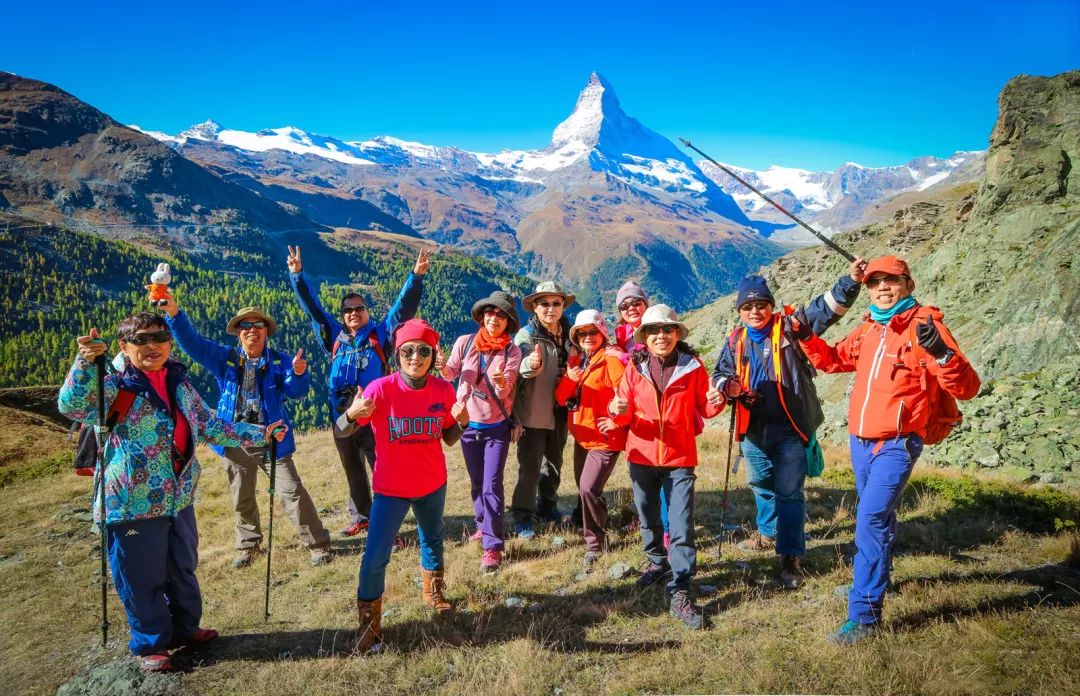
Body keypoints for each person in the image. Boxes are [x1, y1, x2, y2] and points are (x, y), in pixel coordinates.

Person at [57, 313, 286, 672]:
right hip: (131, 501)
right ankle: (151, 642)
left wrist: (262, 434)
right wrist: (85, 363)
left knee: (183, 566)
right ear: (124, 346)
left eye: (160, 337)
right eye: (142, 339)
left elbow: (209, 424)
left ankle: (185, 629)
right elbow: (72, 406)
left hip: (177, 496)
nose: (153, 345)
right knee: (140, 575)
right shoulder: (113, 381)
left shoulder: (176, 380)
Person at [794, 256, 980, 644]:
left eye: (891, 281)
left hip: (898, 443)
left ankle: (864, 615)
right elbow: (833, 361)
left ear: (907, 285)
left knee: (870, 519)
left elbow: (967, 388)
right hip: (860, 443)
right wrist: (806, 337)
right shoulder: (869, 330)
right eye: (875, 281)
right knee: (879, 518)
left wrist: (943, 356)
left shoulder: (925, 328)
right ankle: (872, 580)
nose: (882, 287)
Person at [711, 261, 865, 588]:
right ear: (740, 310)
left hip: (791, 428)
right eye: (748, 306)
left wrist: (851, 281)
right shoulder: (736, 340)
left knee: (789, 493)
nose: (755, 311)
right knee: (761, 484)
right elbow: (720, 373)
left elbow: (827, 309)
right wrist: (728, 387)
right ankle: (767, 533)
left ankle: (790, 555)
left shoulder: (790, 327)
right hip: (752, 431)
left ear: (771, 305)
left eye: (761, 305)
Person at [161, 297, 332, 568]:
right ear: (238, 332)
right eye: (246, 325)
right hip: (235, 440)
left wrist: (299, 374)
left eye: (258, 325)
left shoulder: (280, 361)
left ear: (266, 331)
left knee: (292, 492)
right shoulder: (224, 359)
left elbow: (296, 392)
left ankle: (317, 544)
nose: (252, 329)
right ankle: (249, 546)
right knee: (242, 496)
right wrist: (174, 314)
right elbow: (193, 344)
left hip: (273, 440)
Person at [335, 319, 468, 655]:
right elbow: (340, 431)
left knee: (433, 538)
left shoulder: (443, 390)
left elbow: (449, 438)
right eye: (408, 350)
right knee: (376, 556)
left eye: (423, 350)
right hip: (391, 490)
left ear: (432, 354)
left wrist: (462, 423)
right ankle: (369, 624)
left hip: (432, 484)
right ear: (398, 354)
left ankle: (434, 593)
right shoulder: (380, 389)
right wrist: (350, 414)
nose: (415, 357)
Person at [288, 244, 431, 536]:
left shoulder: (381, 333)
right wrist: (298, 276)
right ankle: (362, 516)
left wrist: (415, 277)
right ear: (342, 315)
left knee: (382, 466)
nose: (353, 313)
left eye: (359, 308)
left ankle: (387, 516)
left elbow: (402, 308)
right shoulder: (334, 336)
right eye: (348, 310)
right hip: (341, 412)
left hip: (376, 412)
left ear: (367, 312)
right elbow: (313, 309)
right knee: (352, 466)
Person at [608, 304, 726, 629]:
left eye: (667, 330)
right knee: (647, 515)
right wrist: (615, 408)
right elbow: (623, 411)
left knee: (681, 522)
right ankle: (657, 564)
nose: (661, 336)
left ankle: (681, 589)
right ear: (644, 337)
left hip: (680, 457)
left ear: (677, 334)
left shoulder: (693, 367)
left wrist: (717, 402)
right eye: (654, 331)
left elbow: (706, 406)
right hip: (641, 456)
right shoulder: (633, 368)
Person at [438, 290, 522, 572]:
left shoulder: (512, 350)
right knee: (477, 483)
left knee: (491, 485)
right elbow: (450, 374)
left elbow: (506, 386)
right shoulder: (465, 342)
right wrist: (440, 364)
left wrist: (499, 381)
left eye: (501, 315)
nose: (494, 318)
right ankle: (481, 524)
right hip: (467, 426)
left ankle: (493, 547)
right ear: (482, 316)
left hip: (497, 427)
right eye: (490, 312)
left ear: (508, 321)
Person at [554, 310, 626, 566]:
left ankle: (595, 543)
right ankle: (601, 528)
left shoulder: (612, 360)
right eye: (581, 333)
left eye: (592, 332)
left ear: (602, 333)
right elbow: (562, 399)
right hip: (583, 437)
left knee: (587, 488)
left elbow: (626, 397)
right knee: (588, 490)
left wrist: (616, 421)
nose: (587, 337)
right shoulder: (579, 362)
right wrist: (569, 381)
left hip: (604, 439)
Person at [510, 281, 575, 538]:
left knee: (555, 462)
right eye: (544, 304)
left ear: (562, 306)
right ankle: (522, 515)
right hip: (533, 409)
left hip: (562, 408)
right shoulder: (526, 336)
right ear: (535, 307)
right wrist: (530, 364)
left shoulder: (572, 333)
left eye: (556, 303)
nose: (550, 308)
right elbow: (518, 367)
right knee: (530, 464)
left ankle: (547, 507)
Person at [611, 280, 671, 546]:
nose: (631, 308)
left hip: (658, 410)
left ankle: (666, 528)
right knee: (641, 469)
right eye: (625, 305)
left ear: (646, 303)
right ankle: (649, 517)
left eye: (636, 302)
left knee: (663, 469)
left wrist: (622, 358)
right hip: (632, 410)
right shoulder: (622, 333)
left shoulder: (657, 329)